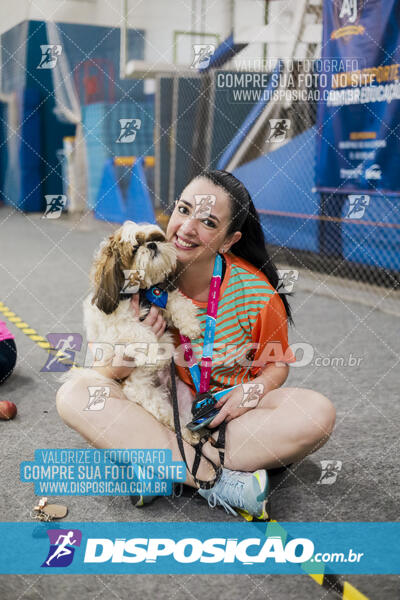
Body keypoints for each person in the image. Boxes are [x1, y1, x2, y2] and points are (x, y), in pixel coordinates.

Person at [56, 170, 336, 519]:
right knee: (74, 394)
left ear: (229, 240)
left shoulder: (258, 295)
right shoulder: (137, 280)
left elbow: (275, 366)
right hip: (157, 412)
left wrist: (248, 394)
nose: (187, 228)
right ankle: (219, 480)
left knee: (318, 413)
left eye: (207, 221)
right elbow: (105, 371)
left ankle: (160, 465)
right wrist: (130, 353)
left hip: (227, 422)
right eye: (183, 210)